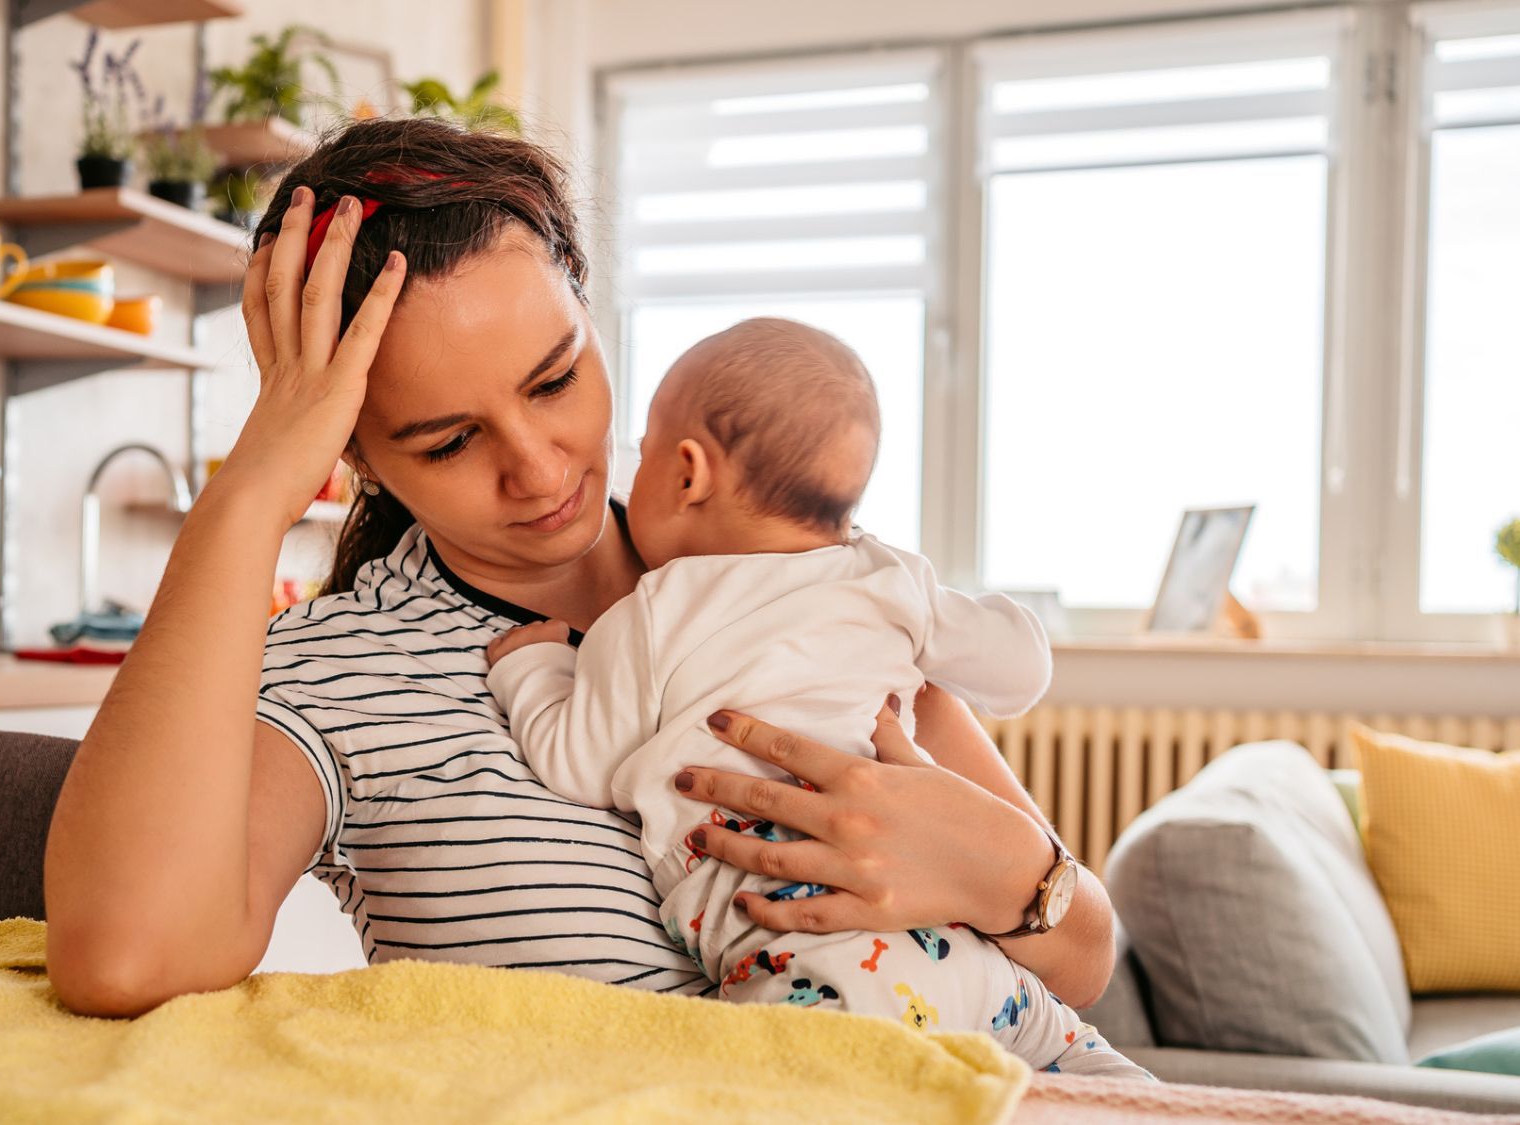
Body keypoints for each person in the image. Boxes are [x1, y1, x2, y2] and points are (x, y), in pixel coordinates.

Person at [41, 117, 1118, 1022]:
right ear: (353, 452)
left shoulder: (773, 560)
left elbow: (1085, 956)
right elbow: (126, 958)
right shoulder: (343, 670)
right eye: (448, 440)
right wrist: (249, 493)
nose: (537, 467)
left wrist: (1007, 877)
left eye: (555, 380)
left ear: (591, 316)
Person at [483, 318, 1149, 1078]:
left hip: (825, 965)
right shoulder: (887, 575)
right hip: (976, 962)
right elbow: (1021, 671)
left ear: (689, 472)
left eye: (647, 446)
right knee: (1122, 1089)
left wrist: (532, 668)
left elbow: (576, 760)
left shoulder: (651, 613)